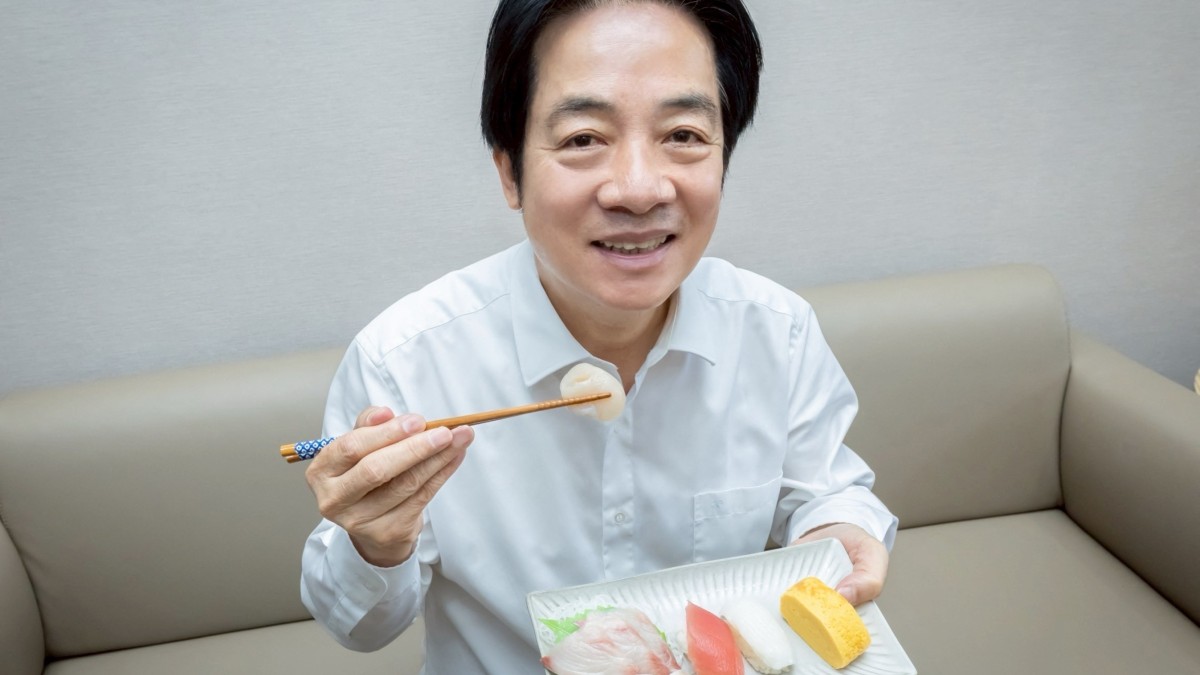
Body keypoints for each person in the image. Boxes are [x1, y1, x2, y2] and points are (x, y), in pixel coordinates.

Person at [300, 1, 897, 672]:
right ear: (509, 171)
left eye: (683, 134)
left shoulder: (775, 331)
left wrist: (839, 528)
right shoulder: (406, 362)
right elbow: (358, 627)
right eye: (584, 138)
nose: (639, 189)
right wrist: (377, 543)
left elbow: (825, 489)